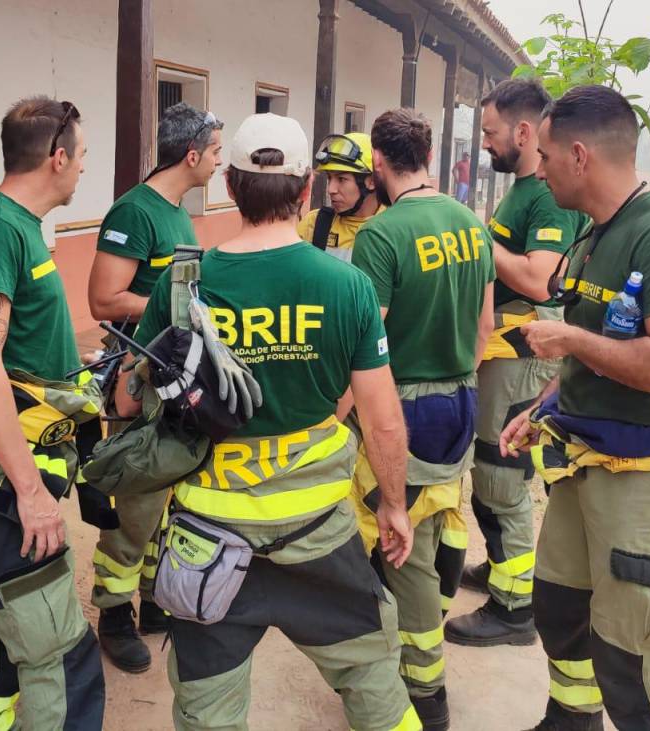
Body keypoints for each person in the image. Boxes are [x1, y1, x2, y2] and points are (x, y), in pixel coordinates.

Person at [113, 113, 422, 731]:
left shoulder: (184, 283)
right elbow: (383, 422)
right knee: (372, 684)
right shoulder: (349, 285)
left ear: (229, 186)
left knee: (208, 710)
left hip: (209, 538)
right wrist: (392, 504)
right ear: (305, 189)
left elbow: (125, 401)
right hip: (321, 536)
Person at [504, 85, 650, 731]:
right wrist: (544, 403)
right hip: (586, 461)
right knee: (563, 608)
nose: (537, 170)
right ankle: (571, 720)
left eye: (543, 156)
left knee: (637, 657)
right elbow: (599, 352)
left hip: (648, 477)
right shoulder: (598, 236)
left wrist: (569, 337)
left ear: (577, 154)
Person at [0, 96, 104, 731]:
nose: (84, 167)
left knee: (5, 604)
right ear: (58, 157)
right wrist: (30, 492)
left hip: (15, 459)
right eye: (82, 155)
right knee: (61, 652)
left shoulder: (19, 227)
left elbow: (27, 349)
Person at [349, 109, 496, 731]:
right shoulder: (471, 223)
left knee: (392, 533)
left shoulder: (381, 236)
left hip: (401, 407)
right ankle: (422, 667)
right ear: (428, 155)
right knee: (430, 518)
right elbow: (485, 326)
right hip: (461, 399)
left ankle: (421, 696)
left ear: (378, 165)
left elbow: (362, 338)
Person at [445, 79, 586, 649]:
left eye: (490, 132)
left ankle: (514, 607)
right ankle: (503, 568)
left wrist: (476, 234)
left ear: (524, 132)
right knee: (490, 470)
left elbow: (536, 278)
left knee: (502, 479)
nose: (484, 143)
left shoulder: (546, 197)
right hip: (500, 355)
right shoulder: (523, 188)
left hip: (520, 358)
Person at [86, 102, 224, 673]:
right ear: (191, 155)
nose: (219, 161)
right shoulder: (135, 211)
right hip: (138, 378)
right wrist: (176, 312)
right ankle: (113, 610)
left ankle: (150, 600)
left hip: (173, 373)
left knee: (168, 490)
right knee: (139, 499)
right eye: (215, 151)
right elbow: (104, 299)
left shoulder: (178, 212)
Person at [296, 131, 382, 260]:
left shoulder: (393, 229)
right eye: (329, 178)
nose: (331, 189)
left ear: (372, 181)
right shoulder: (314, 224)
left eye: (341, 179)